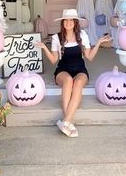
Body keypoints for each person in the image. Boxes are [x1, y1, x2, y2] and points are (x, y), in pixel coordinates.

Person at [35, 9, 112, 138]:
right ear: (63, 22)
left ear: (75, 22)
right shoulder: (56, 38)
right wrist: (44, 48)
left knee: (78, 82)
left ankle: (66, 121)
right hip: (63, 70)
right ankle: (68, 121)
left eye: (71, 20)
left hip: (80, 70)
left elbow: (90, 57)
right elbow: (54, 60)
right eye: (66, 20)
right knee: (68, 81)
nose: (69, 22)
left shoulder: (82, 35)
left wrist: (98, 43)